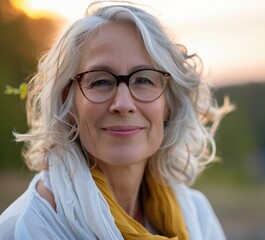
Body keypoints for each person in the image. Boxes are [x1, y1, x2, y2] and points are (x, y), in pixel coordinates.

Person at [0, 1, 233, 239]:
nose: (123, 104)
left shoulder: (197, 216)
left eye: (143, 80)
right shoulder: (27, 229)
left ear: (169, 106)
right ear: (69, 104)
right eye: (100, 81)